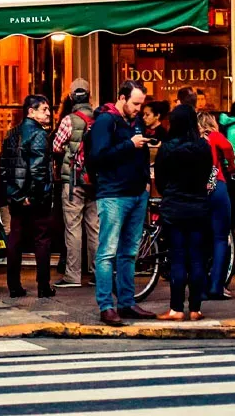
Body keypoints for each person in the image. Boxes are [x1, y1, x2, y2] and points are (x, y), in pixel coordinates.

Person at [90, 80, 155, 326]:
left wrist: (146, 184)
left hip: (136, 192)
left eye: (141, 104)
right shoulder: (106, 121)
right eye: (135, 103)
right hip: (113, 194)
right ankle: (106, 306)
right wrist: (129, 144)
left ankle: (126, 303)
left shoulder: (135, 122)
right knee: (107, 252)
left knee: (129, 252)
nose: (139, 109)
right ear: (121, 97)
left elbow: (139, 152)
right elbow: (98, 157)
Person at [154, 105, 214, 321]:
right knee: (197, 259)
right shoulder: (203, 147)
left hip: (174, 208)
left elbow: (160, 180)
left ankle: (176, 308)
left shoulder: (167, 148)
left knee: (177, 258)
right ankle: (196, 308)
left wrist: (170, 192)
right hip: (199, 207)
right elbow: (208, 174)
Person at [0, 94, 55, 299]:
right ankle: (43, 286)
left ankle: (14, 285)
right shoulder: (39, 134)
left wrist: (15, 194)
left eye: (48, 109)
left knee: (15, 238)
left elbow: (4, 168)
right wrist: (31, 195)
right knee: (42, 239)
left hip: (16, 197)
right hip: (35, 198)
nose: (48, 113)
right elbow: (39, 170)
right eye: (44, 109)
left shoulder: (11, 133)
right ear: (31, 112)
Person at [50, 78, 97, 289]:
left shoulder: (69, 120)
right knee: (95, 228)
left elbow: (57, 146)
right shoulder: (99, 118)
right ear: (90, 96)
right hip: (95, 181)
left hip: (73, 180)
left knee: (73, 228)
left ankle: (73, 275)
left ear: (71, 97)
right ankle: (98, 272)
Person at [199, 110, 235, 300]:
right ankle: (217, 285)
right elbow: (228, 148)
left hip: (198, 191)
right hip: (217, 186)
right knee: (221, 238)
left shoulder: (194, 140)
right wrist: (231, 166)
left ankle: (202, 287)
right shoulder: (214, 136)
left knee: (201, 239)